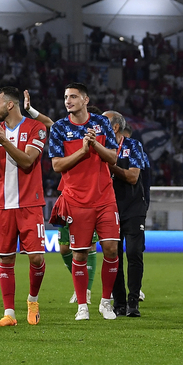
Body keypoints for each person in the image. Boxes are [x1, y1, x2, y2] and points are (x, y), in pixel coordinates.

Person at [48, 82, 120, 321]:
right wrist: (82, 150)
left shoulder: (101, 125)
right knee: (79, 254)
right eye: (66, 97)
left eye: (74, 97)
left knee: (111, 248)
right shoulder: (59, 128)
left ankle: (106, 302)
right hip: (76, 200)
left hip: (104, 197)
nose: (68, 101)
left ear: (86, 100)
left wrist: (96, 145)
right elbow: (57, 165)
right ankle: (82, 305)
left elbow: (113, 158)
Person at [0, 87, 53, 326]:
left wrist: (4, 142)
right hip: (3, 204)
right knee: (5, 259)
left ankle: (32, 301)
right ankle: (9, 314)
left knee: (35, 258)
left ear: (10, 105)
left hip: (30, 203)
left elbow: (27, 161)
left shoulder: (36, 128)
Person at [105, 112, 147, 318]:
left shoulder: (133, 146)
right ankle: (119, 303)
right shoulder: (100, 148)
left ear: (114, 127)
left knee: (133, 253)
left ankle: (133, 302)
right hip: (109, 208)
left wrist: (109, 165)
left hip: (133, 208)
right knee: (114, 256)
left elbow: (132, 177)